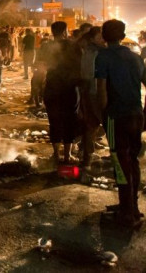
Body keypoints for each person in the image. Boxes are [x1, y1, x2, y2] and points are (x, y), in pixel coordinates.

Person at [95, 19, 146, 228]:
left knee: (119, 160)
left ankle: (126, 213)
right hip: (136, 114)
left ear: (104, 36)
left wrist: (102, 116)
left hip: (116, 116)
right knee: (132, 159)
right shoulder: (135, 57)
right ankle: (131, 206)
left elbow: (102, 91)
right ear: (123, 35)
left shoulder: (103, 56)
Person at [39, 21, 81, 163]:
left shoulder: (46, 46)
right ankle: (68, 155)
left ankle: (56, 154)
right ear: (65, 31)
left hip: (52, 87)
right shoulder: (73, 46)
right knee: (70, 120)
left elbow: (40, 67)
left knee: (54, 120)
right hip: (70, 88)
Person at [79, 27, 105, 169]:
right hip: (97, 94)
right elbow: (90, 75)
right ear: (92, 38)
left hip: (90, 92)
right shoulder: (96, 52)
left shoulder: (89, 50)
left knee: (91, 127)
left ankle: (87, 160)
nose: (102, 39)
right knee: (100, 126)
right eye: (99, 37)